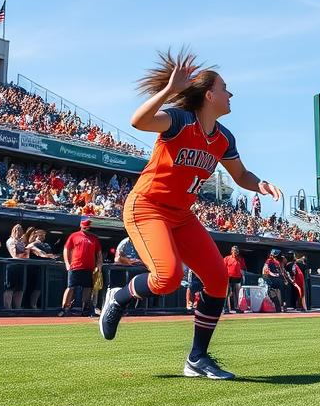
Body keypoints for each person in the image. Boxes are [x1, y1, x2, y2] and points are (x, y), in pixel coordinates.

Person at [98, 50, 282, 379]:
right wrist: (169, 90)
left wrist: (261, 184)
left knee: (217, 278)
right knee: (167, 278)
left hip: (181, 215)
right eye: (225, 88)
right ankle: (120, 296)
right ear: (209, 95)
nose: (230, 94)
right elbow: (137, 121)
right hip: (147, 207)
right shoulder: (179, 120)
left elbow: (241, 176)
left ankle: (197, 358)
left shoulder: (224, 138)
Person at [62, 218, 102, 316]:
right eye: (84, 226)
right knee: (71, 287)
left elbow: (99, 254)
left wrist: (99, 266)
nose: (86, 228)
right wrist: (67, 263)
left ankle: (85, 309)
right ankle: (65, 308)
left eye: (87, 227)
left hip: (89, 268)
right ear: (81, 226)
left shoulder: (94, 238)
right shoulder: (74, 236)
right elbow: (66, 249)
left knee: (87, 288)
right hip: (75, 266)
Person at [4, 223, 29, 311]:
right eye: (16, 230)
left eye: (20, 230)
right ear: (13, 231)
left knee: (20, 289)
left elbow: (27, 256)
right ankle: (8, 309)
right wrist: (24, 253)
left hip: (21, 266)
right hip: (12, 266)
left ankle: (17, 309)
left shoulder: (22, 242)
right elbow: (15, 255)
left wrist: (26, 250)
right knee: (10, 288)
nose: (18, 232)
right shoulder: (10, 241)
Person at [222, 245, 245, 313]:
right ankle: (225, 308)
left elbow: (243, 269)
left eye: (237, 251)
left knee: (237, 293)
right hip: (229, 277)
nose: (235, 252)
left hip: (237, 278)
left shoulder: (240, 259)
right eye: (234, 251)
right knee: (227, 292)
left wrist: (242, 277)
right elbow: (223, 267)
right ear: (231, 251)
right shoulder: (227, 258)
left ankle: (237, 307)